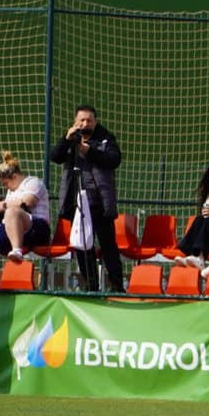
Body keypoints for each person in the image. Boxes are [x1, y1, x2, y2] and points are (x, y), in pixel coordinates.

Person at [48, 104, 125, 292]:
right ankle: (91, 286)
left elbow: (114, 160)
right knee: (83, 246)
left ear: (95, 121)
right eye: (81, 120)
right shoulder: (71, 139)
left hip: (100, 202)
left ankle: (117, 286)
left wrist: (88, 151)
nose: (85, 123)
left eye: (89, 120)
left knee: (108, 245)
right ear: (75, 122)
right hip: (78, 203)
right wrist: (66, 140)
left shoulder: (106, 138)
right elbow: (55, 157)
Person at [0, 153, 51, 262]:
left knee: (12, 211)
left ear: (14, 177)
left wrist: (4, 205)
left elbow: (28, 202)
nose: (6, 187)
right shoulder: (11, 191)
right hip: (13, 229)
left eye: (6, 184)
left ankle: (17, 250)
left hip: (38, 229)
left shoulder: (33, 182)